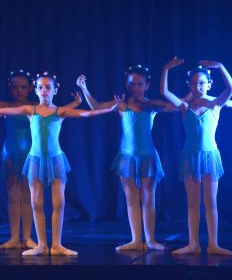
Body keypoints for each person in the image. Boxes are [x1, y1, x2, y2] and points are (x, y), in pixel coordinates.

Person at [0, 71, 120, 256]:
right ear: (36, 91)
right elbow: (1, 111)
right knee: (36, 202)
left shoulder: (60, 111)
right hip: (35, 161)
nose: (43, 91)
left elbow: (86, 114)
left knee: (59, 203)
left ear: (55, 90)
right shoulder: (30, 110)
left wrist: (110, 109)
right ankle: (41, 245)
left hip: (55, 160)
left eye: (47, 87)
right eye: (40, 87)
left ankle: (57, 245)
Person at [0, 71, 81, 249]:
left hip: (31, 156)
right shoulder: (5, 106)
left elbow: (60, 112)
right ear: (10, 88)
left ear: (30, 88)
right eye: (15, 87)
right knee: (13, 195)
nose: (19, 91)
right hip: (10, 154)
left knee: (29, 197)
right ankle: (13, 237)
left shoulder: (36, 107)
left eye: (23, 87)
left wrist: (77, 102)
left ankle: (27, 237)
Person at [76, 65, 178, 251]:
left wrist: (166, 72)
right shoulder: (122, 105)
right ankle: (136, 240)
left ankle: (151, 240)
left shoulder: (151, 105)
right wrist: (84, 88)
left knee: (148, 197)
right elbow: (96, 107)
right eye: (132, 84)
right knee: (131, 198)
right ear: (127, 85)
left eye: (140, 84)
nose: (135, 88)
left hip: (147, 155)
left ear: (147, 85)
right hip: (127, 156)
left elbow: (177, 107)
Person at [160, 57, 232, 255]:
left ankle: (213, 244)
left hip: (210, 157)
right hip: (190, 157)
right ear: (188, 86)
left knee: (211, 202)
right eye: (193, 83)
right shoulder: (185, 107)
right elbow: (164, 93)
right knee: (193, 203)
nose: (197, 86)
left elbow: (230, 89)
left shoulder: (216, 105)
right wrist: (166, 68)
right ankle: (193, 244)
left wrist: (221, 67)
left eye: (201, 83)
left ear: (209, 84)